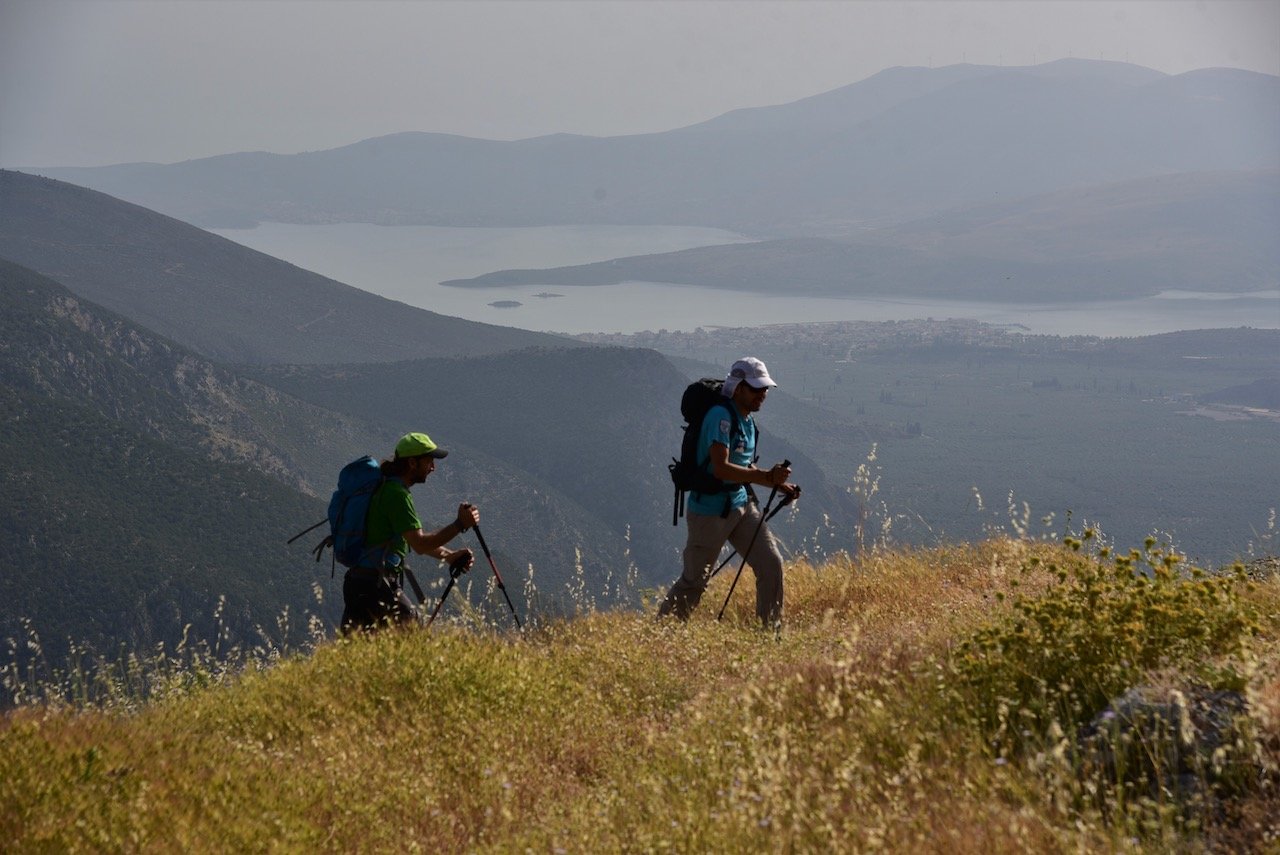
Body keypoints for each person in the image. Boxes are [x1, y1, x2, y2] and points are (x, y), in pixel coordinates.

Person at [658, 357, 800, 628]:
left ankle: (771, 635)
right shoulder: (720, 417)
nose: (763, 394)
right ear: (738, 387)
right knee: (694, 583)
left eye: (765, 389)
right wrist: (767, 477)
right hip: (710, 512)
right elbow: (721, 468)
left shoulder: (746, 421)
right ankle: (659, 639)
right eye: (757, 389)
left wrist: (777, 485)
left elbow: (744, 465)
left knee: (771, 564)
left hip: (740, 504)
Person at [341, 431, 479, 634]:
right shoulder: (397, 495)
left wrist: (449, 556)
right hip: (377, 586)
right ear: (413, 463)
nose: (433, 467)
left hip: (359, 583)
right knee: (413, 643)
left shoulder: (384, 487)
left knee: (358, 654)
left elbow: (411, 538)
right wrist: (460, 524)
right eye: (429, 461)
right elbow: (420, 544)